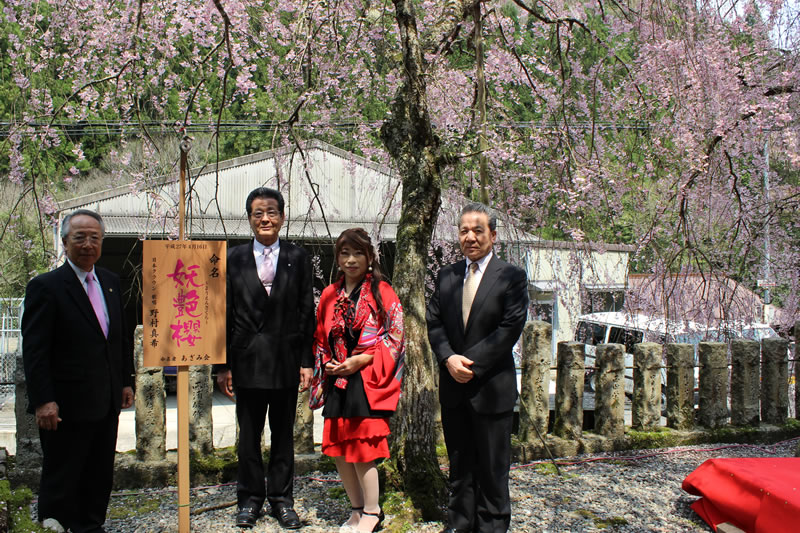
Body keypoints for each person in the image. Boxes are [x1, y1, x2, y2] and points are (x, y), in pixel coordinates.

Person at [22, 209, 135, 533]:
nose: (87, 245)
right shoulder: (46, 286)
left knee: (99, 470)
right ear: (65, 242)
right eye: (79, 238)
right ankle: (55, 523)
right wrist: (43, 400)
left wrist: (125, 382)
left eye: (94, 238)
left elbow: (119, 338)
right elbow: (35, 350)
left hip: (106, 399)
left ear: (102, 241)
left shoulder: (110, 282)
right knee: (63, 471)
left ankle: (90, 524)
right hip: (65, 403)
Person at [216, 187, 315, 529]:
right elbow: (223, 312)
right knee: (248, 436)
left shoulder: (297, 257)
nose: (265, 219)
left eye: (271, 212)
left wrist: (307, 361)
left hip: (286, 359)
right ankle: (249, 500)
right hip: (246, 360)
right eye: (258, 213)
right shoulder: (233, 258)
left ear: (282, 217)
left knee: (283, 436)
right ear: (249, 219)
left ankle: (282, 501)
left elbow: (306, 311)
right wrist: (223, 366)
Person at [426, 203, 528, 533]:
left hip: (491, 387)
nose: (470, 237)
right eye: (464, 231)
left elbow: (509, 328)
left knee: (493, 469)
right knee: (459, 465)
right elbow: (434, 322)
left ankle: (492, 526)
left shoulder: (511, 276)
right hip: (453, 387)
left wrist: (469, 363)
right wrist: (448, 358)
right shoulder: (447, 275)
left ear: (493, 235)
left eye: (478, 230)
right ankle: (459, 523)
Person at [309, 228, 404, 533]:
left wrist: (363, 359)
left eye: (358, 253)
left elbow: (396, 336)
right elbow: (320, 337)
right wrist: (326, 362)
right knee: (339, 449)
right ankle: (356, 508)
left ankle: (373, 512)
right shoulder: (329, 294)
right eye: (345, 253)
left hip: (366, 381)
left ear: (369, 257)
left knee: (363, 449)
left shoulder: (382, 292)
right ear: (337, 258)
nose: (351, 260)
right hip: (337, 379)